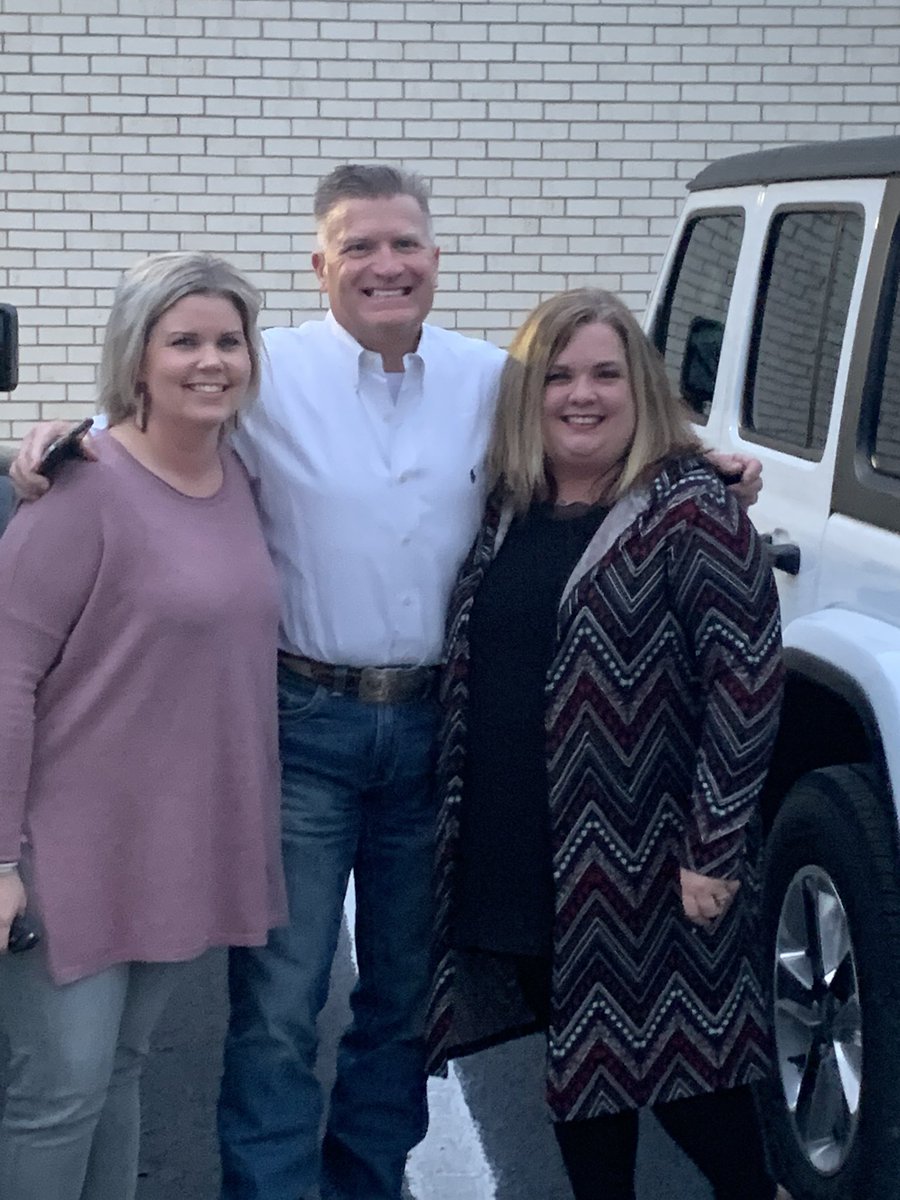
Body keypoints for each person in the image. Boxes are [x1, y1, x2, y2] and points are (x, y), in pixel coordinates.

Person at [9, 166, 765, 1200]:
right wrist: (59, 440)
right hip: (299, 729)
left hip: (436, 741)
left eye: (403, 243)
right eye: (357, 246)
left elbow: (603, 424)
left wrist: (707, 463)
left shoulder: (496, 381)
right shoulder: (261, 376)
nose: (384, 264)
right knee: (280, 1007)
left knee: (405, 1005)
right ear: (320, 264)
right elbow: (154, 425)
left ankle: (365, 1184)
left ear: (435, 259)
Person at [426, 288, 785, 1200]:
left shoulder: (689, 506)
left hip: (649, 864)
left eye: (604, 374)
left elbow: (745, 683)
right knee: (586, 1079)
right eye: (557, 376)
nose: (579, 395)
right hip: (526, 855)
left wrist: (714, 849)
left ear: (641, 387)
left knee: (689, 1081)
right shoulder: (510, 506)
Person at [0, 251, 286, 1200]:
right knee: (58, 1093)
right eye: (184, 341)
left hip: (174, 842)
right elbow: (6, 677)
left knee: (122, 1069)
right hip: (64, 847)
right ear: (137, 360)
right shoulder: (81, 488)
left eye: (228, 340)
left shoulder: (241, 476)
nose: (212, 361)